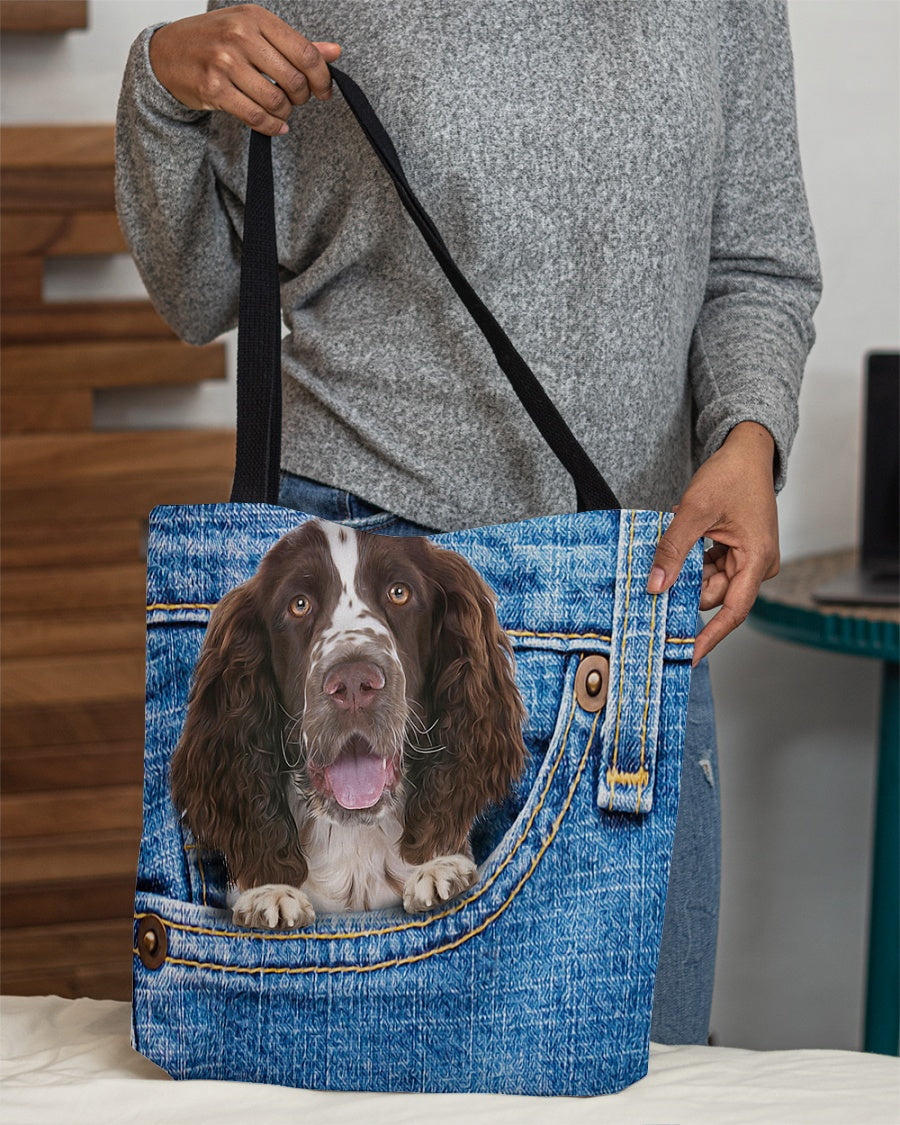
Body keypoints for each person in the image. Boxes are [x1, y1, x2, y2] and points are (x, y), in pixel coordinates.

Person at [115, 0, 821, 1044]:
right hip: (348, 567)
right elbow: (203, 291)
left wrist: (750, 438)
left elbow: (757, 264)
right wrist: (162, 83)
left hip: (632, 590)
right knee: (330, 1080)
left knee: (647, 1065)